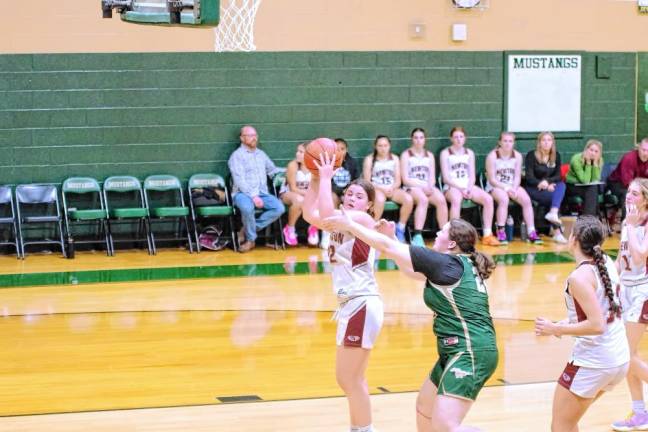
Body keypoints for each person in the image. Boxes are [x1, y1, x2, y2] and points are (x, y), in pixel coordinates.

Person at [321, 213, 498, 432]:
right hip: (456, 349)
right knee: (425, 409)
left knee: (446, 425)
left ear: (451, 243)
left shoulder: (445, 263)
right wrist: (393, 239)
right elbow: (408, 267)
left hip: (470, 350)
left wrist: (351, 225)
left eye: (442, 230)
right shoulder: (455, 265)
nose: (437, 233)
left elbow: (386, 248)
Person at [302, 151, 384, 432]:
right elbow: (309, 213)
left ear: (369, 204)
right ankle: (360, 428)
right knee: (351, 379)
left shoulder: (361, 220)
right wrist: (315, 179)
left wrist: (326, 177)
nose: (351, 197)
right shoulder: (340, 219)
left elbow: (324, 212)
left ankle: (363, 429)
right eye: (349, 193)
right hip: (352, 305)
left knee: (349, 379)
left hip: (361, 303)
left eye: (359, 195)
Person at [535, 215, 629, 432]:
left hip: (595, 362)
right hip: (617, 358)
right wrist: (565, 323)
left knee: (561, 424)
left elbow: (597, 325)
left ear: (574, 239)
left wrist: (556, 329)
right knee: (568, 422)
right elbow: (601, 311)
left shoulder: (578, 278)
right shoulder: (605, 261)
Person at [611, 178, 648, 431]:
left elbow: (639, 255)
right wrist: (609, 282)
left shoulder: (639, 224)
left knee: (625, 355)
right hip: (625, 289)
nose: (629, 196)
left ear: (645, 199)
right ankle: (640, 412)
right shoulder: (628, 222)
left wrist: (632, 227)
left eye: (635, 194)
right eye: (628, 192)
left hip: (643, 292)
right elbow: (622, 258)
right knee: (628, 357)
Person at [227, 125, 285, 253]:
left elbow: (272, 170)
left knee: (279, 208)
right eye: (250, 135)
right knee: (248, 208)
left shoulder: (261, 154)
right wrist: (253, 196)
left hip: (262, 193)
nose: (254, 138)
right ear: (242, 138)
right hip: (242, 194)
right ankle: (250, 240)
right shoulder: (237, 156)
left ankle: (247, 230)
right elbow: (239, 180)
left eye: (255, 135)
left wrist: (290, 171)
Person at [440, 126, 500, 246]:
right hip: (452, 186)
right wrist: (460, 188)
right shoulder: (445, 153)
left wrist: (468, 188)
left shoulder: (470, 153)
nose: (458, 139)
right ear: (451, 139)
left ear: (465, 138)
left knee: (488, 199)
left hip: (467, 186)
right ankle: (454, 236)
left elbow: (472, 176)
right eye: (456, 137)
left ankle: (487, 235)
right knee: (456, 200)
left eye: (461, 137)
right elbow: (446, 178)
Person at [485, 131, 541, 244]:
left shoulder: (517, 156)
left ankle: (531, 231)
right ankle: (501, 230)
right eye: (505, 141)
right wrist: (506, 189)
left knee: (526, 200)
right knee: (504, 199)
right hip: (496, 186)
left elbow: (517, 177)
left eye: (510, 141)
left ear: (513, 143)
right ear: (499, 142)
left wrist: (514, 188)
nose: (507, 143)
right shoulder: (492, 156)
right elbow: (492, 179)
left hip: (512, 185)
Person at [401, 127, 448, 247]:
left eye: (421, 137)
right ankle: (417, 235)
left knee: (441, 200)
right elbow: (405, 179)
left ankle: (445, 234)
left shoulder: (430, 155)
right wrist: (422, 186)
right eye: (416, 137)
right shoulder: (406, 155)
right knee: (423, 199)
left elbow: (432, 177)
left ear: (425, 139)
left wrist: (430, 186)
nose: (418, 140)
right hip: (411, 187)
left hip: (427, 186)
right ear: (412, 139)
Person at [363, 135, 413, 243]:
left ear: (389, 146)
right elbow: (367, 182)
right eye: (380, 145)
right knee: (380, 200)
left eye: (385, 145)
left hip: (392, 188)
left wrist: (392, 188)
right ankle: (372, 229)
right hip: (376, 188)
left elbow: (398, 181)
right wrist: (381, 188)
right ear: (375, 146)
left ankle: (400, 229)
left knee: (408, 199)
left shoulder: (394, 158)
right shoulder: (370, 159)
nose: (383, 148)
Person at [524, 131, 567, 244]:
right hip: (533, 188)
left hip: (549, 187)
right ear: (539, 142)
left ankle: (553, 212)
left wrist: (548, 182)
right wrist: (540, 183)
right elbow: (529, 177)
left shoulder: (556, 155)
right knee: (555, 198)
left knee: (561, 185)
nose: (546, 143)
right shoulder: (531, 155)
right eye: (544, 140)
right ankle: (557, 232)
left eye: (549, 140)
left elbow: (558, 175)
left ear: (553, 142)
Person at [279, 143, 319, 246]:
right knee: (300, 200)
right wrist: (309, 195)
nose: (297, 154)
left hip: (306, 195)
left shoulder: (315, 168)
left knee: (320, 200)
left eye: (301, 152)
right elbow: (293, 188)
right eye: (297, 151)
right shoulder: (293, 165)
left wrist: (313, 195)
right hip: (288, 194)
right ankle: (290, 228)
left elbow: (317, 188)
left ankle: (313, 227)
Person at [326, 137, 360, 249]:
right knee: (331, 197)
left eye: (342, 149)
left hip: (348, 191)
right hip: (333, 191)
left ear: (346, 150)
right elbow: (326, 182)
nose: (339, 151)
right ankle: (329, 232)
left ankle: (352, 232)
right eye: (336, 149)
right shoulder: (327, 162)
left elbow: (356, 180)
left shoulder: (352, 162)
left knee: (354, 199)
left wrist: (349, 191)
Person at [607, 137, 648, 215]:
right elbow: (627, 183)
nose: (645, 153)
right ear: (638, 148)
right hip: (618, 184)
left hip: (640, 185)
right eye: (643, 150)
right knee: (630, 195)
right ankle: (628, 224)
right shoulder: (629, 158)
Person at [565, 140, 604, 216]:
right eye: (591, 150)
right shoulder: (576, 159)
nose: (593, 153)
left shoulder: (599, 160)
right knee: (592, 190)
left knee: (593, 188)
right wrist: (588, 163)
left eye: (596, 151)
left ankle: (588, 219)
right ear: (586, 149)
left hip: (588, 187)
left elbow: (595, 179)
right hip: (573, 186)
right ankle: (591, 218)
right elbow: (584, 180)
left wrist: (595, 164)